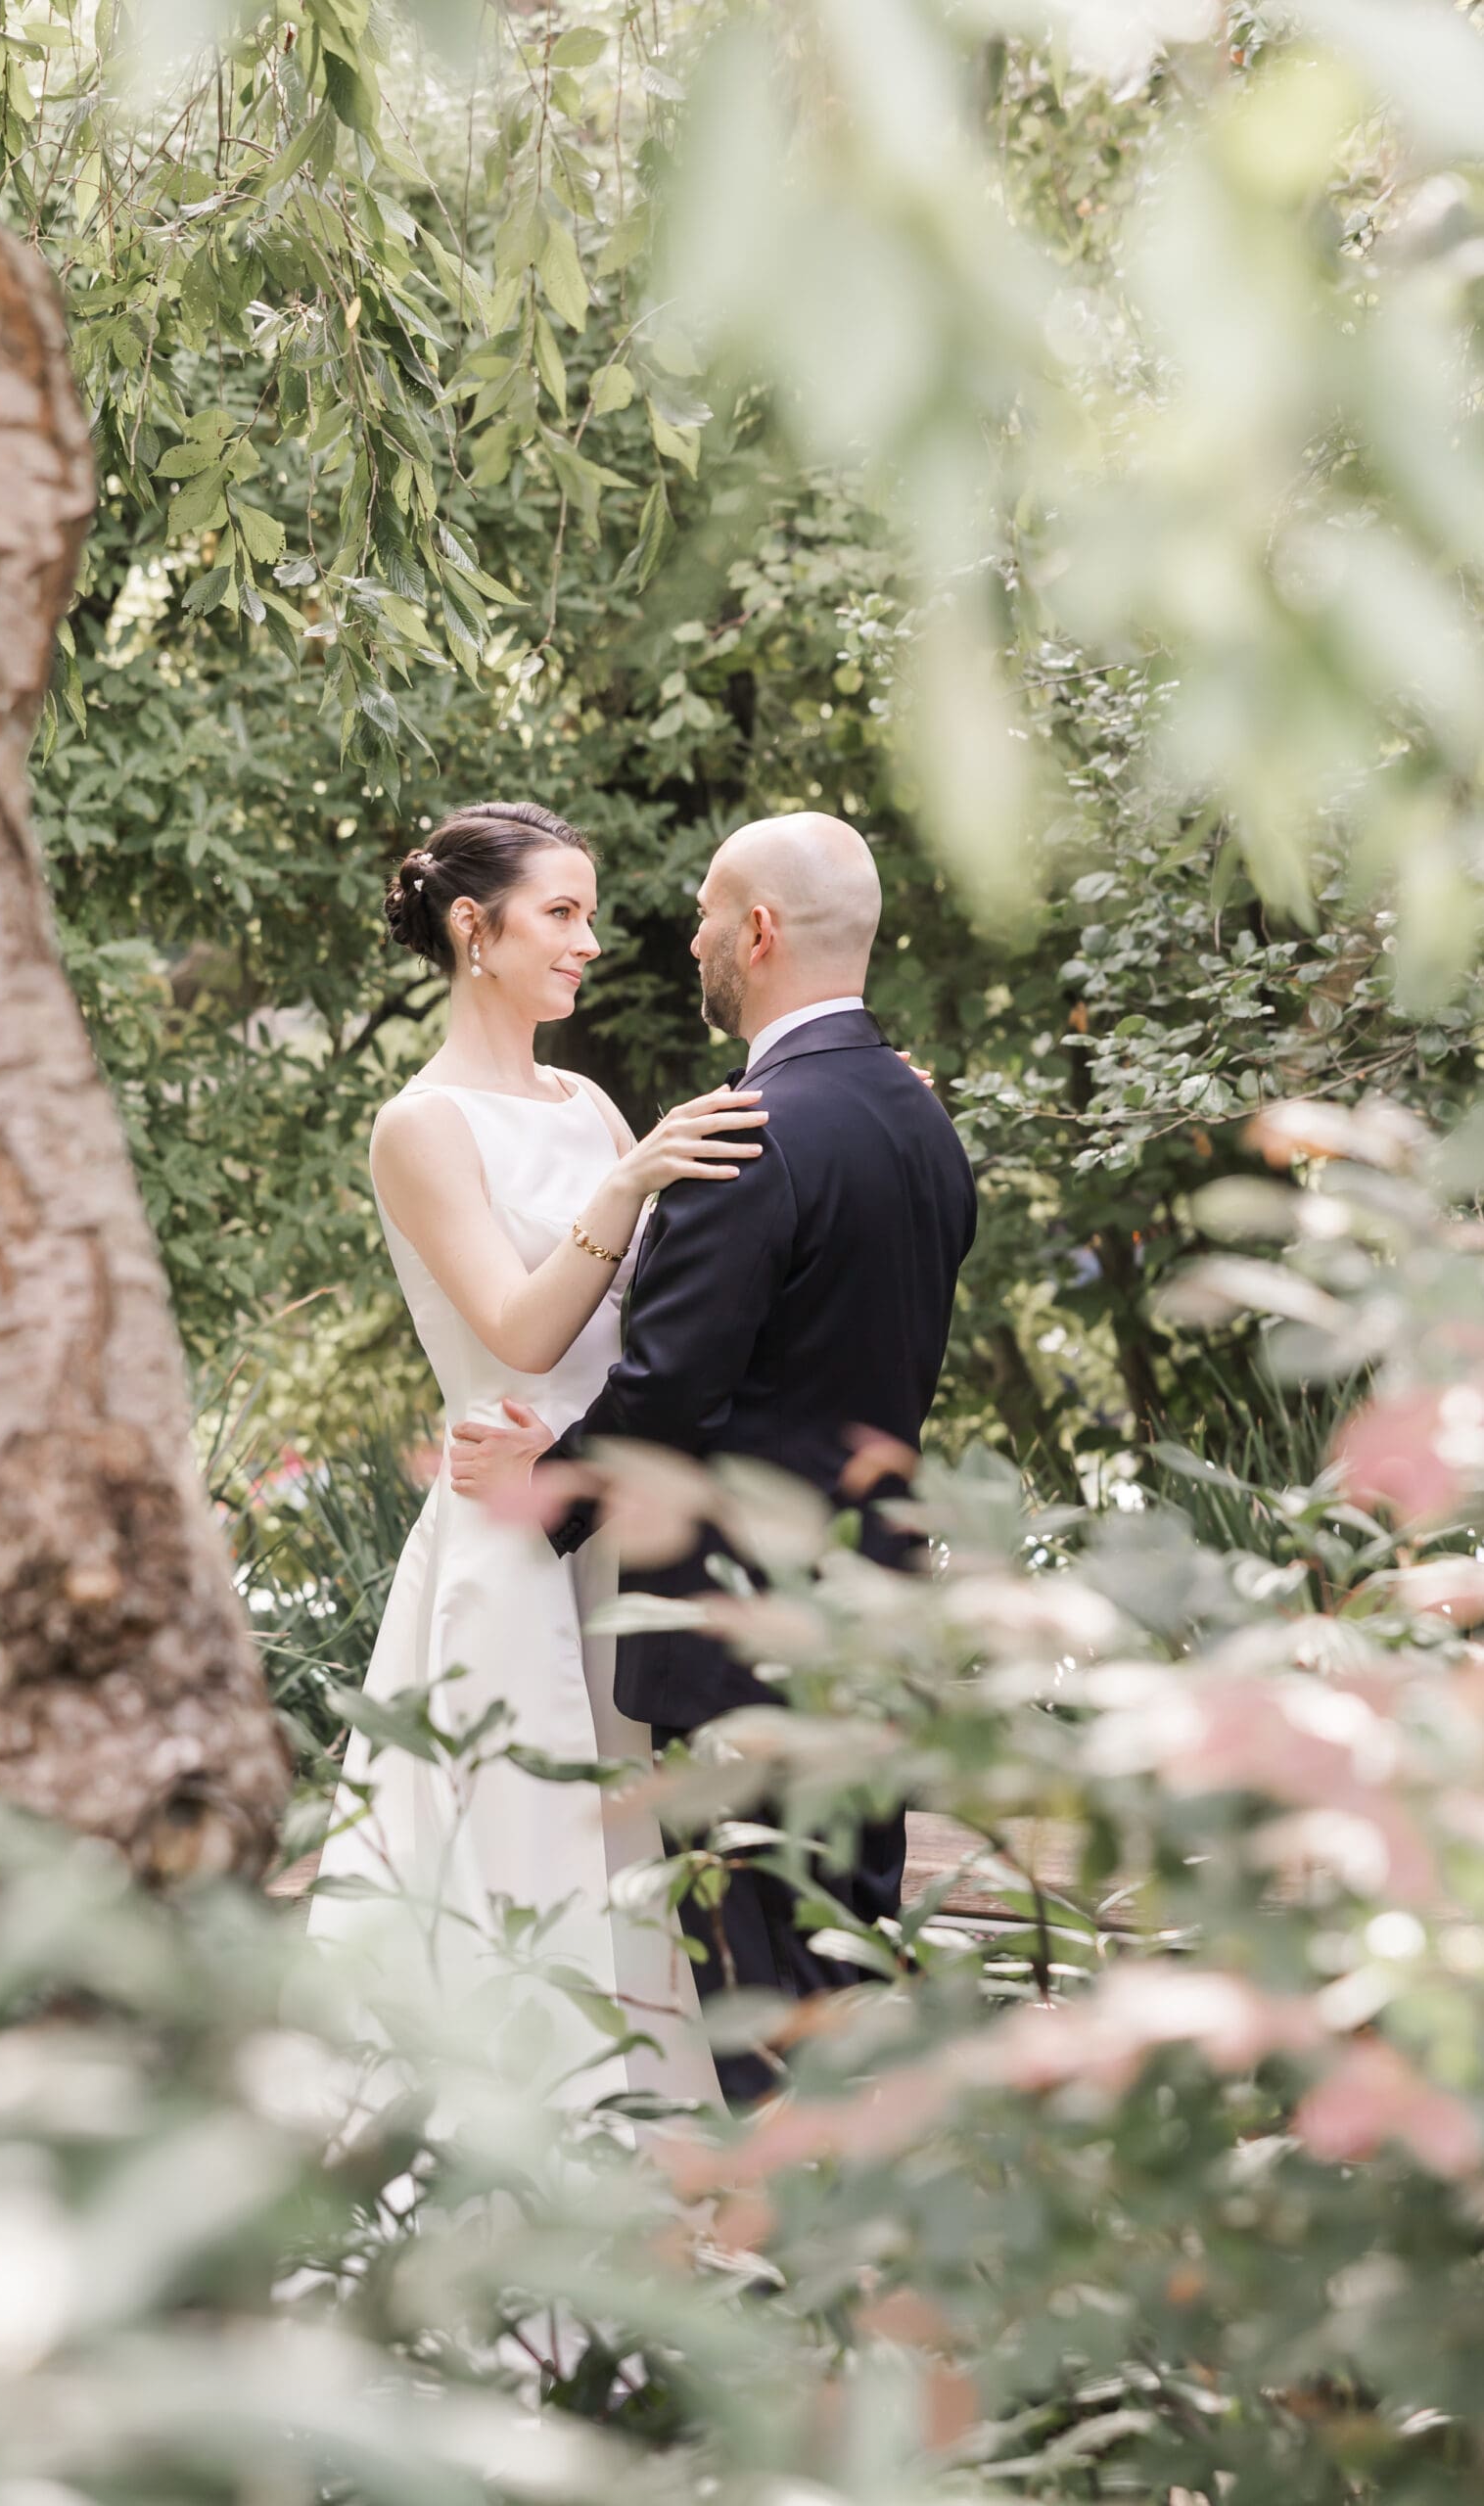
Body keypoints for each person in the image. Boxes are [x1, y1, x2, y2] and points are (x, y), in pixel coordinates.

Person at [450, 812, 978, 2108]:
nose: (681, 937)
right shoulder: (919, 1122)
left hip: (744, 1643)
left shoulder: (746, 1137)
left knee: (765, 2010)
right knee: (852, 1973)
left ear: (755, 932)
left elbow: (669, 1392)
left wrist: (541, 1495)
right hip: (873, 1620)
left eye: (701, 913)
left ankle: (834, 2280)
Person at [307, 798, 768, 2117]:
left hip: (606, 1524)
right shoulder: (422, 1125)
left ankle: (650, 2156)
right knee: (522, 1852)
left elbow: (669, 1293)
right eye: (559, 913)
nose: (588, 941)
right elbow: (515, 1327)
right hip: (505, 1540)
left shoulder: (583, 1099)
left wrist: (853, 1111)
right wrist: (625, 1188)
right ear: (475, 927)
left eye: (587, 912)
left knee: (629, 1840)